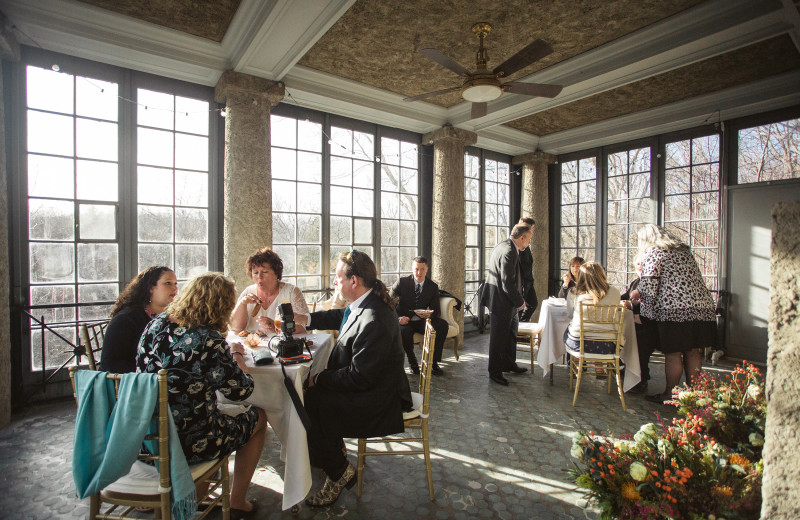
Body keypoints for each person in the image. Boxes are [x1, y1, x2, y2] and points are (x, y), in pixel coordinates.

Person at [136, 272, 266, 518]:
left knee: (209, 413)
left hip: (148, 435)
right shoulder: (208, 340)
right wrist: (236, 355)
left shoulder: (155, 324)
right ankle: (237, 501)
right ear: (221, 306)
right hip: (192, 442)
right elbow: (241, 391)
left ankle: (191, 499)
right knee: (258, 418)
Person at [302, 250, 412, 507]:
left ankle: (338, 472)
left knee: (309, 405)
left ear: (354, 281)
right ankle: (335, 459)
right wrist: (304, 321)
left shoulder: (374, 318)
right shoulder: (367, 303)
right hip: (372, 385)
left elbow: (359, 378)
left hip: (379, 400)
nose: (334, 282)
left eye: (338, 277)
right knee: (313, 398)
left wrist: (319, 379)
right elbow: (341, 316)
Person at [635, 224, 716, 404]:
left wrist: (644, 316)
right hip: (702, 308)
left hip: (675, 310)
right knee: (693, 351)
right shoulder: (683, 251)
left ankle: (670, 394)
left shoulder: (654, 253)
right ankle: (693, 394)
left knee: (673, 352)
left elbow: (648, 288)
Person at [481, 222, 533, 385]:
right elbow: (506, 283)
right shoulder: (510, 250)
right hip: (501, 301)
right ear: (522, 237)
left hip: (506, 301)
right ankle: (495, 372)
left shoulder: (504, 245)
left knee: (510, 334)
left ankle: (509, 364)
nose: (529, 242)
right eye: (529, 238)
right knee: (498, 338)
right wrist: (520, 302)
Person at [100, 266, 177, 373]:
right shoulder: (126, 319)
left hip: (162, 377)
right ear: (150, 288)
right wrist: (147, 373)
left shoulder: (171, 316)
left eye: (175, 283)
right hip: (132, 382)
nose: (175, 288)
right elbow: (110, 364)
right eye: (168, 283)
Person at [229, 247, 310, 334]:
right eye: (255, 273)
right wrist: (242, 304)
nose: (259, 276)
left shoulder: (291, 292)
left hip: (282, 345)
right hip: (252, 345)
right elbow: (236, 328)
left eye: (264, 272)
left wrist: (277, 327)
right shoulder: (248, 292)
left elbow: (304, 328)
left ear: (276, 273)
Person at [390, 256, 448, 376]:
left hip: (422, 320)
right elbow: (388, 303)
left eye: (422, 269)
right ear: (412, 269)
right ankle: (413, 363)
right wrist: (398, 318)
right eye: (416, 269)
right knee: (405, 331)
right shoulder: (402, 282)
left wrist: (428, 315)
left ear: (427, 270)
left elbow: (436, 311)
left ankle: (434, 363)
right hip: (404, 320)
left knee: (442, 325)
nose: (419, 272)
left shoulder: (432, 287)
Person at [563, 261, 622, 355]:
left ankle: (576, 363)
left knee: (568, 331)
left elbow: (570, 314)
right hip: (608, 343)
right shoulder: (615, 292)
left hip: (580, 344)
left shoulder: (574, 292)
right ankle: (599, 367)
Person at [621, 254, 660, 394]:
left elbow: (652, 303)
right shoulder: (636, 282)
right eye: (638, 264)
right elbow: (625, 296)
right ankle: (626, 369)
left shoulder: (653, 283)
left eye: (643, 264)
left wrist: (632, 305)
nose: (641, 267)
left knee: (640, 339)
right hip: (635, 323)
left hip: (650, 325)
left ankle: (640, 378)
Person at [517, 217, 539, 322]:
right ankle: (518, 331)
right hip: (523, 282)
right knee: (520, 308)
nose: (533, 231)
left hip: (529, 281)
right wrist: (522, 284)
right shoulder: (518, 244)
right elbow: (519, 266)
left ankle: (522, 324)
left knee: (533, 303)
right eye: (532, 228)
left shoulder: (526, 243)